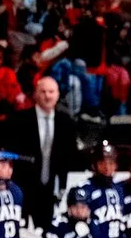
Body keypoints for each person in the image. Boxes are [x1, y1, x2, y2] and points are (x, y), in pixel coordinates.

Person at [6, 72, 83, 229]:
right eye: (43, 91)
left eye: (51, 92)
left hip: (52, 190)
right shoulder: (20, 121)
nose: (47, 96)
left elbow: (71, 157)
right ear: (35, 94)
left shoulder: (66, 122)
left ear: (58, 95)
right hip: (24, 187)